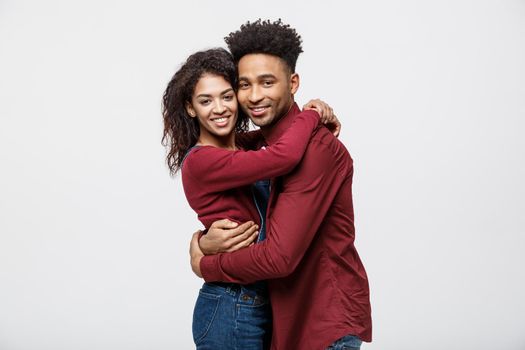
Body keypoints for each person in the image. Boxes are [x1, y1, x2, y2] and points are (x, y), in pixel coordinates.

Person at [189, 20, 372, 349]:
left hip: (322, 324)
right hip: (285, 321)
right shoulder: (267, 147)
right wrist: (203, 240)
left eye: (267, 82)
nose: (255, 96)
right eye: (244, 85)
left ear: (293, 83)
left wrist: (204, 263)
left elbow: (278, 258)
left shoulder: (314, 151)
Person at [162, 48, 339, 349]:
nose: (219, 108)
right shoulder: (202, 160)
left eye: (227, 96)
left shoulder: (240, 149)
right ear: (190, 108)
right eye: (206, 101)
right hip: (231, 303)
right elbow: (284, 155)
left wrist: (314, 113)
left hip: (260, 300)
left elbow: (272, 136)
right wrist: (311, 115)